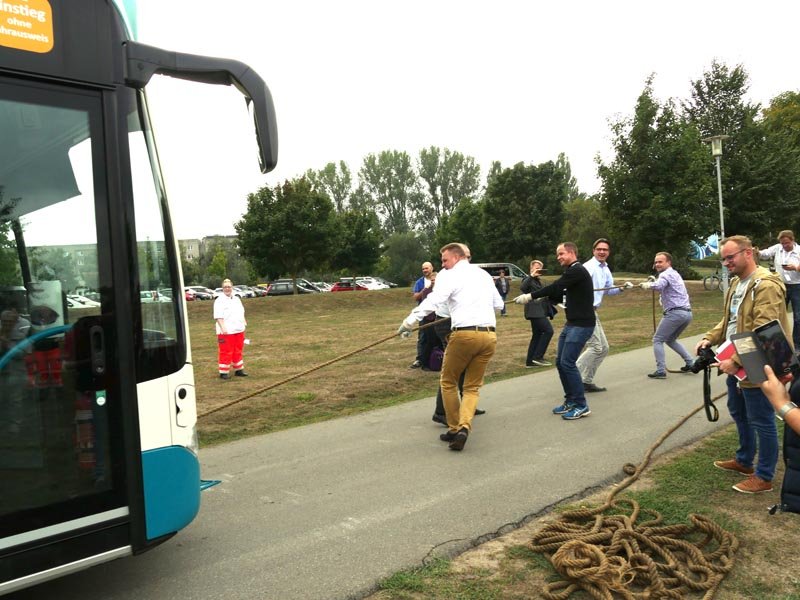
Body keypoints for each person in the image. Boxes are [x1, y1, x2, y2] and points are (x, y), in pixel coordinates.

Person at [697, 235, 789, 494]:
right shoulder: (738, 283)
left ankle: (764, 476)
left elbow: (764, 328)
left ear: (748, 253)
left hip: (758, 363)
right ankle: (744, 461)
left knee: (761, 419)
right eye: (723, 258)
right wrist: (709, 338)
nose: (726, 263)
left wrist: (735, 360)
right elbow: (729, 320)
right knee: (739, 413)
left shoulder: (766, 284)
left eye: (730, 257)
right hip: (736, 360)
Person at [398, 243, 503, 451]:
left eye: (445, 260)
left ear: (456, 257)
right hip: (489, 336)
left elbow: (433, 301)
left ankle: (455, 428)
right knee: (472, 387)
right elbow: (499, 304)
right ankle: (464, 426)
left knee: (448, 381)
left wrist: (408, 322)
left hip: (464, 334)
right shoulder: (483, 275)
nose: (443, 264)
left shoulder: (449, 275)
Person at [514, 242, 595, 420]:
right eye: (557, 254)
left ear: (572, 252)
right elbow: (558, 293)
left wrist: (531, 296)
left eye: (561, 254)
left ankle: (581, 405)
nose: (558, 257)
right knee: (560, 362)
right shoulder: (571, 271)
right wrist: (547, 299)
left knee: (567, 363)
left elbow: (556, 287)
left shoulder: (577, 270)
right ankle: (571, 401)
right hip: (572, 323)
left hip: (582, 324)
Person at [576, 238, 633, 393]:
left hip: (593, 311)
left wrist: (622, 288)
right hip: (584, 311)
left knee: (604, 348)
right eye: (599, 249)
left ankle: (586, 381)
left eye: (605, 250)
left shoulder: (605, 269)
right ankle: (572, 376)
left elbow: (607, 290)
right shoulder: (588, 267)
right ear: (593, 251)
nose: (602, 252)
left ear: (609, 252)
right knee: (595, 347)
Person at [640, 252, 695, 378]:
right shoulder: (675, 274)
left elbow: (659, 286)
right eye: (656, 262)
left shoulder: (665, 274)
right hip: (686, 313)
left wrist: (648, 285)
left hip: (675, 313)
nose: (657, 264)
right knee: (670, 340)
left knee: (657, 339)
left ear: (668, 262)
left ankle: (660, 370)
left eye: (660, 261)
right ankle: (690, 363)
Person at [758, 230, 800, 348]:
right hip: (780, 285)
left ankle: (797, 345)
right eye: (783, 243)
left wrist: (795, 267)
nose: (785, 246)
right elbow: (764, 254)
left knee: (798, 317)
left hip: (797, 286)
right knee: (777, 315)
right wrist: (755, 252)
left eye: (787, 243)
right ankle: (779, 343)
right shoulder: (777, 248)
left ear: (792, 240)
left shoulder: (799, 251)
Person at [519, 260, 555, 367]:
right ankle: (538, 357)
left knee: (537, 335)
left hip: (541, 311)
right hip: (534, 312)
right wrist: (531, 276)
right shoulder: (527, 279)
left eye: (540, 268)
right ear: (531, 268)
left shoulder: (539, 281)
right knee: (549, 331)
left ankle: (530, 361)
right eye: (536, 268)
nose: (538, 270)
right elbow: (523, 288)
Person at [214, 278, 248, 380]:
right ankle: (223, 372)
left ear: (232, 287)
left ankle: (239, 369)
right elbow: (218, 316)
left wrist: (244, 323)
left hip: (238, 329)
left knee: (238, 350)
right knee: (226, 351)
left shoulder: (236, 299)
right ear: (222, 288)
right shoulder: (219, 300)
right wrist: (223, 328)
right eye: (225, 287)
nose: (227, 288)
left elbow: (241, 312)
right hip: (226, 331)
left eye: (229, 287)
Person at [410, 261, 434, 369]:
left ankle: (436, 358)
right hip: (424, 313)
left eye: (427, 268)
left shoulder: (439, 279)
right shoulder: (420, 282)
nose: (425, 270)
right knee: (423, 336)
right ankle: (420, 359)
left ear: (432, 268)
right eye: (423, 269)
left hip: (438, 313)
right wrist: (424, 291)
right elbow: (415, 297)